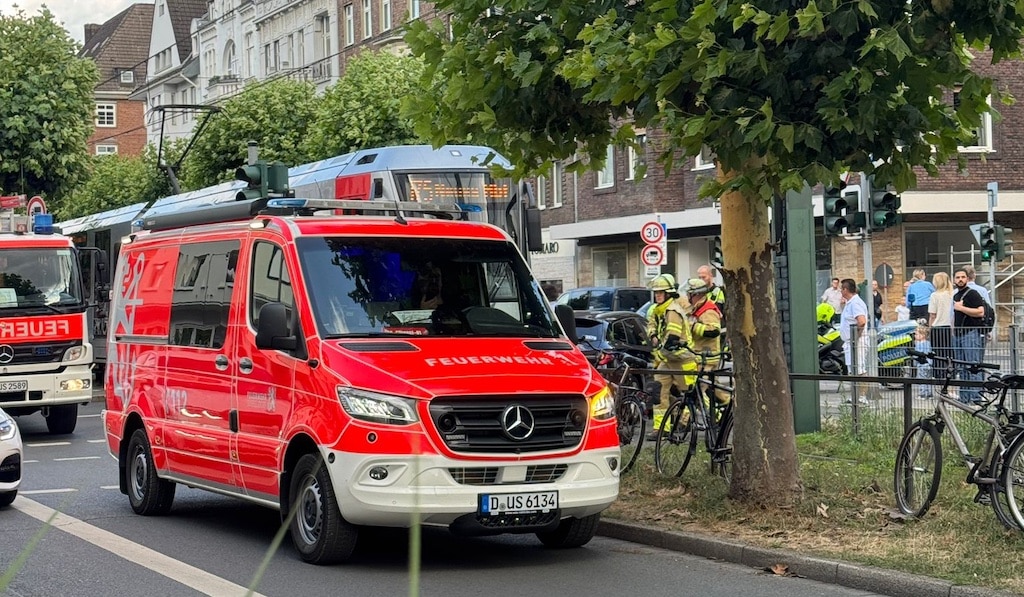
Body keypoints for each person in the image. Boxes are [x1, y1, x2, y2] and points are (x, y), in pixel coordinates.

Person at [645, 273, 696, 426]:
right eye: (656, 292)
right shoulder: (658, 310)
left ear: (668, 294)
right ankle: (661, 428)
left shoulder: (673, 311)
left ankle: (685, 424)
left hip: (682, 360)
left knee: (689, 394)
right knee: (658, 392)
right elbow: (651, 325)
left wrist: (659, 352)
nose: (657, 295)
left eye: (661, 292)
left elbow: (672, 338)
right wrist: (653, 335)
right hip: (667, 360)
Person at [683, 278, 729, 406]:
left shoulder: (708, 310)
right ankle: (728, 404)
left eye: (689, 294)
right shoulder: (696, 308)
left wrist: (693, 326)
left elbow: (714, 331)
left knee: (699, 390)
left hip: (707, 358)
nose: (687, 296)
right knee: (713, 388)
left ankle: (701, 415)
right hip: (700, 356)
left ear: (696, 295)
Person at [952, 268, 986, 404]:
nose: (960, 279)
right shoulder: (956, 296)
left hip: (970, 333)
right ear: (954, 280)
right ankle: (964, 398)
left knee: (973, 366)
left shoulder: (973, 294)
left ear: (967, 279)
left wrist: (961, 308)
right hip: (958, 334)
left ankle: (976, 398)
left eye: (963, 277)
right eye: (958, 277)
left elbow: (980, 312)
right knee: (962, 367)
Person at [839, 278, 869, 405]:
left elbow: (861, 321)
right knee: (853, 369)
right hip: (850, 341)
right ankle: (855, 395)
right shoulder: (849, 303)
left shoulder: (855, 303)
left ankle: (862, 396)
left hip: (857, 342)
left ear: (846, 290)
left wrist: (856, 337)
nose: (840, 291)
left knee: (860, 368)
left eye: (841, 289)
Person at [927, 271, 954, 381]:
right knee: (949, 352)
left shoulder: (935, 295)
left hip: (937, 327)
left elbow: (932, 315)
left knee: (937, 353)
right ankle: (950, 373)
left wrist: (929, 328)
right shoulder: (952, 294)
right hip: (949, 327)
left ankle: (938, 374)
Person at [914, 324, 933, 398]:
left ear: (922, 335)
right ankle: (929, 394)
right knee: (928, 379)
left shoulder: (918, 344)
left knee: (922, 379)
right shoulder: (928, 343)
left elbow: (917, 354)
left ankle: (922, 394)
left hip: (921, 364)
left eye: (916, 334)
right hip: (929, 364)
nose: (915, 336)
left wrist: (915, 362)